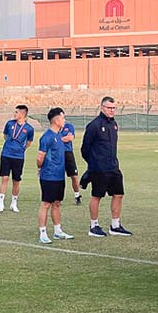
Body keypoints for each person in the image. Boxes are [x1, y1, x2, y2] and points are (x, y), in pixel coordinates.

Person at [81, 96, 131, 237]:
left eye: (114, 108)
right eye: (109, 108)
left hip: (113, 166)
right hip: (99, 168)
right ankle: (94, 226)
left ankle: (115, 226)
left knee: (118, 194)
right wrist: (93, 163)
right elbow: (85, 148)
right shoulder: (94, 125)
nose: (112, 110)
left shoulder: (114, 124)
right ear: (102, 107)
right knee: (97, 196)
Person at [36, 108, 75, 244]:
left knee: (57, 203)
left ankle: (58, 231)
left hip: (59, 175)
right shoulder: (47, 137)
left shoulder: (58, 135)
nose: (64, 121)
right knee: (46, 204)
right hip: (49, 176)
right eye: (63, 118)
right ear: (57, 120)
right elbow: (40, 157)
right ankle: (42, 233)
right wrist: (40, 168)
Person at [0, 105, 34, 213]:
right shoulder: (9, 123)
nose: (14, 114)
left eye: (16, 112)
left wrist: (21, 149)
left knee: (16, 181)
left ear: (22, 114)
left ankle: (14, 203)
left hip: (18, 157)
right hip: (6, 154)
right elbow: (5, 135)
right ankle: (1, 203)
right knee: (4, 178)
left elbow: (28, 142)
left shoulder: (29, 129)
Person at [60, 113, 81, 205]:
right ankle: (58, 197)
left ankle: (77, 195)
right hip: (57, 153)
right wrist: (63, 138)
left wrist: (58, 139)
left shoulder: (69, 126)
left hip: (68, 153)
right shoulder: (54, 128)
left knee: (74, 175)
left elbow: (70, 138)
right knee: (58, 176)